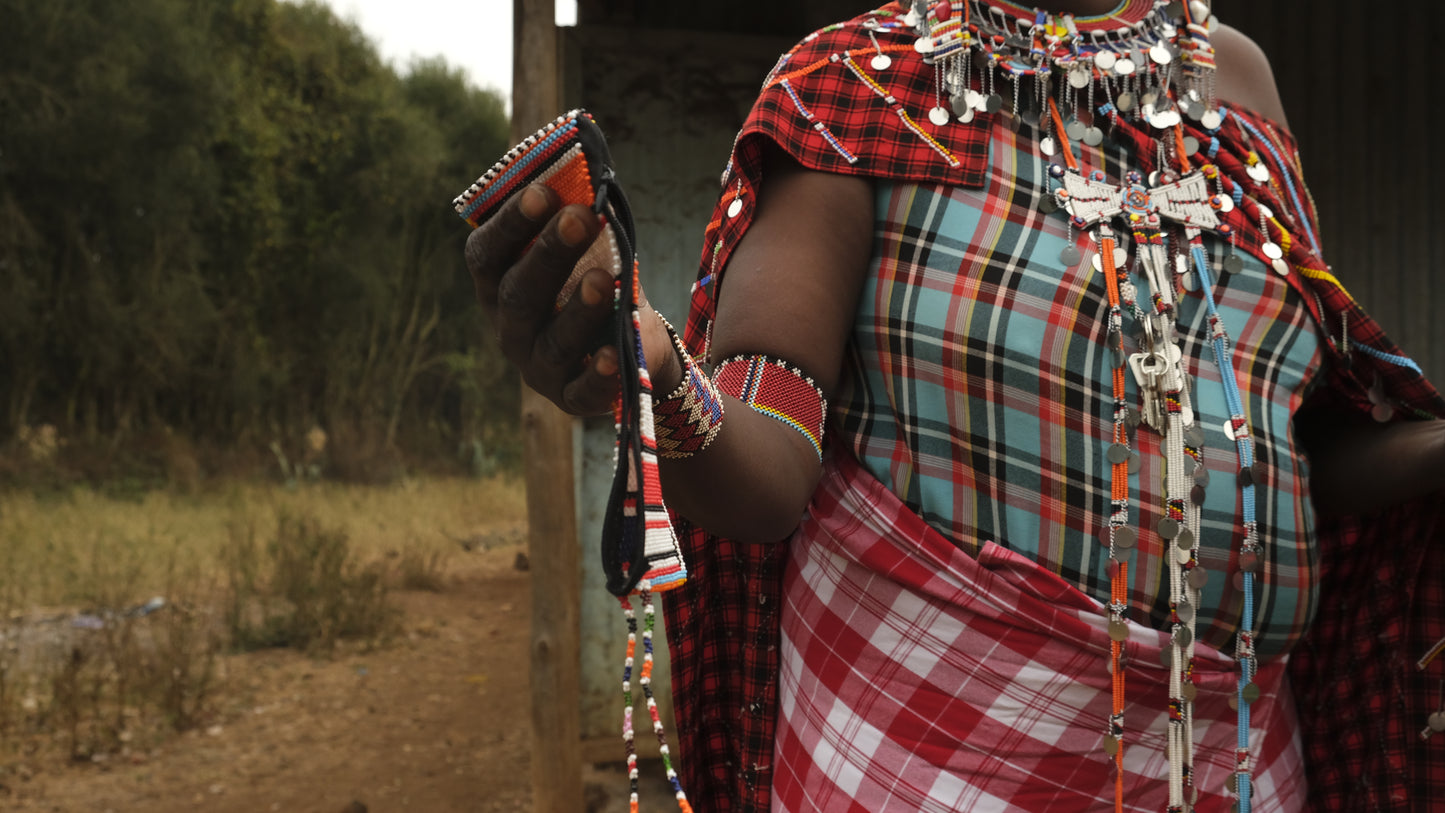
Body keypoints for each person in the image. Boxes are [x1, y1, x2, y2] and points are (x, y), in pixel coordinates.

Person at [466, 1, 1445, 810]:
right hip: (927, 763)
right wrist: (660, 375)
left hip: (1237, 766)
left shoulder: (1235, 79)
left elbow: (1284, 445)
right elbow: (763, 462)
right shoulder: (861, 83)